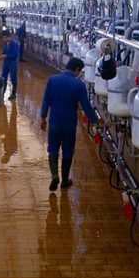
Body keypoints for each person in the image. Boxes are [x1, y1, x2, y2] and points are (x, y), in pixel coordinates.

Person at [40, 57, 102, 191]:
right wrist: (95, 121)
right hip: (69, 121)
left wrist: (42, 117)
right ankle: (65, 180)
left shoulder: (52, 80)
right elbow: (86, 106)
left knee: (53, 148)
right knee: (67, 150)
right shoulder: (78, 84)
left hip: (55, 120)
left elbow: (46, 101)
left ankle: (54, 175)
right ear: (77, 69)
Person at [0, 29, 19, 100]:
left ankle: (13, 94)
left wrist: (6, 56)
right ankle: (2, 94)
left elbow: (16, 55)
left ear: (8, 37)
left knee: (13, 78)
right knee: (3, 77)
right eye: (3, 38)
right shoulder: (5, 43)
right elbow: (4, 51)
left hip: (13, 63)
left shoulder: (15, 44)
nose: (3, 39)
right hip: (6, 63)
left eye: (4, 37)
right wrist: (2, 54)